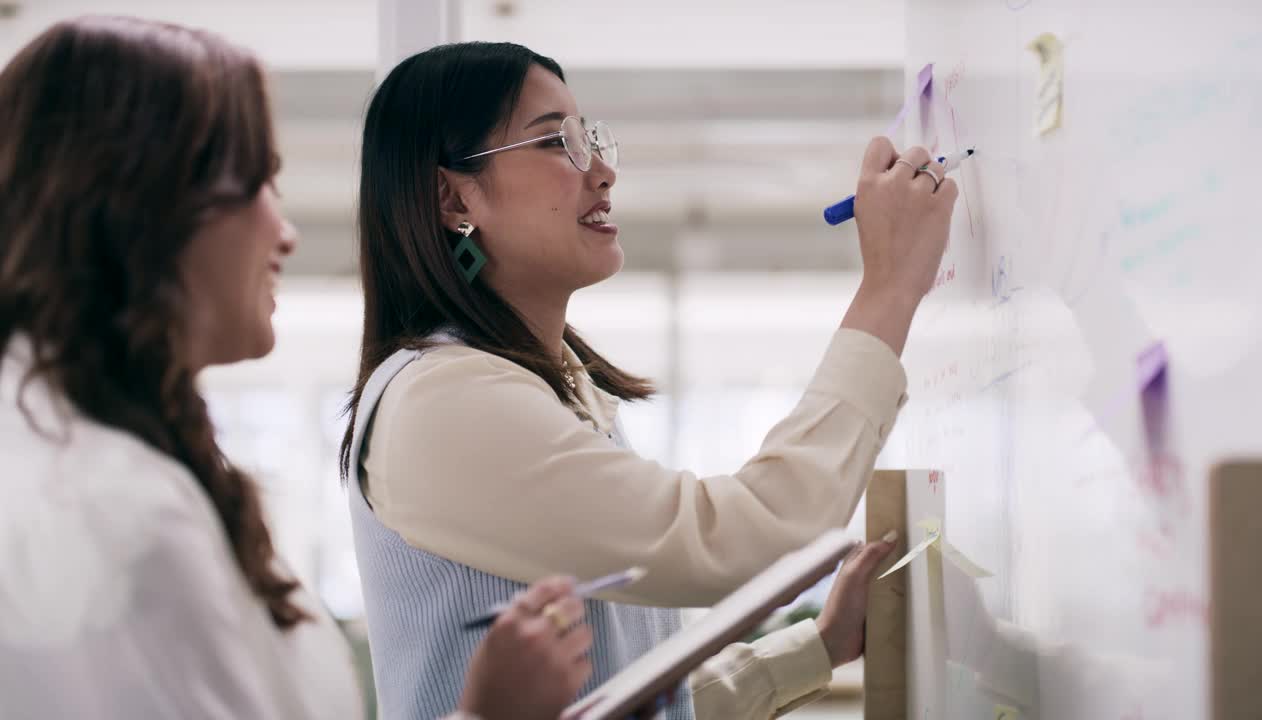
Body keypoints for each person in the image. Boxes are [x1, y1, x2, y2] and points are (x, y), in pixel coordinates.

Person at [0, 17, 593, 720]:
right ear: (143, 202)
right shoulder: (119, 515)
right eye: (257, 184)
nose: (285, 232)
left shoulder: (96, 463)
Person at [342, 41, 956, 718]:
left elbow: (618, 700)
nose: (602, 172)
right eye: (555, 143)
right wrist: (891, 288)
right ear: (450, 195)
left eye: (591, 139)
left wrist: (816, 647)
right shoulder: (445, 404)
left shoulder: (547, 390)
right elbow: (746, 539)